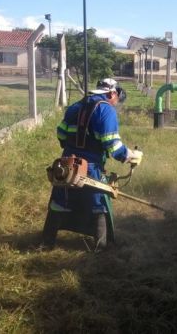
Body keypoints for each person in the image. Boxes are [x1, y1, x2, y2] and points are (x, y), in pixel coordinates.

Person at [42, 78, 143, 250]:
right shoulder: (106, 110)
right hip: (92, 168)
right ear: (111, 93)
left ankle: (46, 243)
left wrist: (71, 150)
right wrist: (132, 155)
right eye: (116, 97)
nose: (116, 101)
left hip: (67, 165)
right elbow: (113, 145)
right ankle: (99, 248)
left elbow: (61, 133)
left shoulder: (75, 107)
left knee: (60, 201)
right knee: (98, 204)